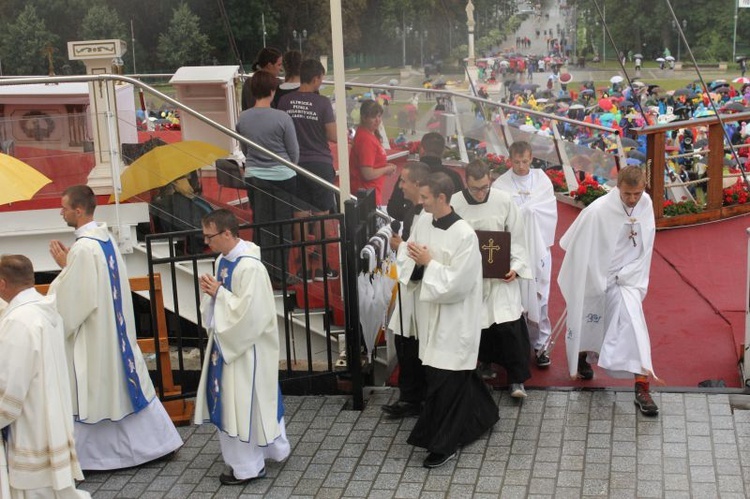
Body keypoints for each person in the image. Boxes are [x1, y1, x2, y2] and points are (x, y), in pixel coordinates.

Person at [47, 185, 183, 470]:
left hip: (97, 336)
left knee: (97, 392)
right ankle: (157, 444)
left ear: (79, 210)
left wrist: (64, 271)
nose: (61, 212)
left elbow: (76, 299)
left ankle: (88, 458)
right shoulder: (104, 238)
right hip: (114, 332)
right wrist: (69, 267)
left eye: (64, 208)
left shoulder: (85, 248)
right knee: (123, 390)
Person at [398, 172, 499, 468]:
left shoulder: (464, 235)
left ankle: (443, 444)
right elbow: (408, 256)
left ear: (442, 198)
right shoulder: (423, 220)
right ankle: (484, 415)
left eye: (426, 197)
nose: (420, 200)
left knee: (446, 381)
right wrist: (416, 263)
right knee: (450, 377)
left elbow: (458, 283)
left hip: (455, 320)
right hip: (430, 316)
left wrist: (428, 264)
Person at [195, 209, 290, 485]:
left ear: (227, 233)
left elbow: (252, 315)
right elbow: (226, 304)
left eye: (209, 236)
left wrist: (218, 294)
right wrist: (213, 296)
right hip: (229, 344)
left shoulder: (250, 267)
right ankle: (269, 449)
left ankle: (247, 466)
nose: (207, 242)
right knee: (245, 402)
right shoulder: (222, 260)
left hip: (247, 349)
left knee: (241, 403)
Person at [558, 166, 659, 416]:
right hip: (598, 276)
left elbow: (646, 243)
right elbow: (573, 244)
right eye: (627, 194)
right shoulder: (598, 211)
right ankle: (583, 355)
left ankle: (641, 386)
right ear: (617, 187)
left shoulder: (645, 204)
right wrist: (593, 275)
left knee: (634, 325)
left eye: (637, 193)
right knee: (590, 320)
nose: (633, 199)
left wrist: (631, 273)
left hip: (628, 280)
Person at [0, 255, 90, 498]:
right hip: (52, 422)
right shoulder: (46, 311)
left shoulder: (19, 321)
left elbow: (10, 387)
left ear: (2, 284)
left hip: (32, 430)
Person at [452, 160, 533, 398]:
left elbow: (518, 236)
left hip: (500, 276)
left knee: (508, 324)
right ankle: (484, 363)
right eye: (475, 188)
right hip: (471, 277)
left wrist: (516, 267)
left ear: (490, 180)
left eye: (485, 187)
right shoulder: (455, 203)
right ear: (466, 182)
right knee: (478, 322)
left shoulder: (503, 201)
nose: (480, 193)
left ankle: (517, 379)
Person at [493, 141, 558, 368]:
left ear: (532, 159)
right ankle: (516, 349)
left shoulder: (542, 180)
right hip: (515, 252)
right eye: (516, 162)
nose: (521, 166)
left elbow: (549, 210)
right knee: (514, 300)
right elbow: (499, 215)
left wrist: (529, 213)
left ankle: (541, 346)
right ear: (509, 160)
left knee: (541, 298)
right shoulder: (501, 185)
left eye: (525, 161)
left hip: (538, 248)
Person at [237, 70, 301, 286]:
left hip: (255, 175)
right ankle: (281, 275)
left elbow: (245, 149)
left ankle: (263, 272)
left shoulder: (243, 118)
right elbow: (294, 153)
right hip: (283, 176)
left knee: (261, 224)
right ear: (273, 91)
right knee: (282, 226)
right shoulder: (282, 117)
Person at [382, 162, 431, 419]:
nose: (399, 186)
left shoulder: (426, 214)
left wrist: (400, 246)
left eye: (403, 181)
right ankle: (410, 397)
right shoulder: (413, 211)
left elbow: (421, 251)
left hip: (421, 291)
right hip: (409, 291)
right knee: (404, 342)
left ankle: (416, 397)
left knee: (412, 344)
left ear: (417, 184)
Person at [387, 132, 463, 222]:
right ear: (443, 151)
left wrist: (410, 218)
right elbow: (460, 208)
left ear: (422, 149)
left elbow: (394, 209)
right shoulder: (455, 177)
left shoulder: (408, 174)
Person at [349, 100, 397, 206]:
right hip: (367, 197)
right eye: (373, 117)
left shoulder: (368, 134)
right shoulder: (366, 139)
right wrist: (386, 169)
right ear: (364, 118)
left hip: (370, 194)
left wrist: (384, 166)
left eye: (379, 116)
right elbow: (367, 174)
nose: (377, 120)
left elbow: (372, 164)